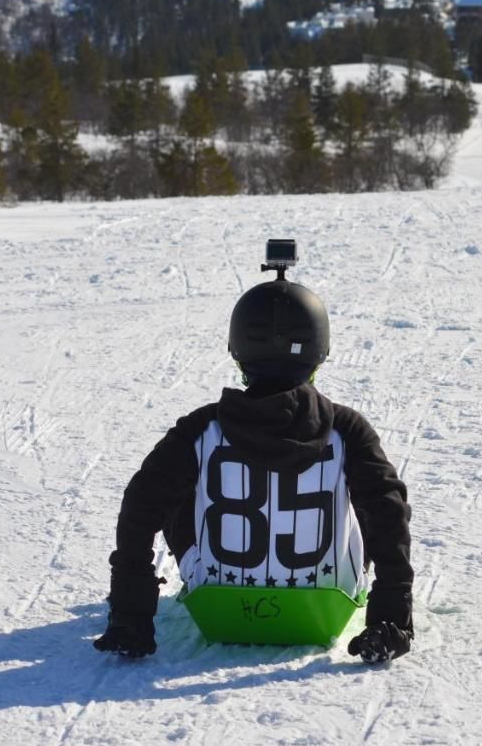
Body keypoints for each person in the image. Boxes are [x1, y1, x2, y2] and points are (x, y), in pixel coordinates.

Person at [92, 272, 413, 663]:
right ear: (318, 354)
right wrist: (392, 612)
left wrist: (130, 612)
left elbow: (140, 505)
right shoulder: (345, 428)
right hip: (327, 606)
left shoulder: (202, 428)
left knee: (174, 486)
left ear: (239, 351)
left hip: (217, 607)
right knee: (369, 495)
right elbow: (388, 510)